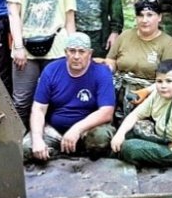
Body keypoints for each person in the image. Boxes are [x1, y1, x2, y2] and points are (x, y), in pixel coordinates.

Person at [7, 0, 76, 124]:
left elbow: (70, 20)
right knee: (21, 99)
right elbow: (14, 14)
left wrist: (72, 50)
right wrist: (18, 46)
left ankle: (48, 139)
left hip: (56, 50)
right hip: (25, 48)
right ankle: (19, 141)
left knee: (55, 98)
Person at [24, 32, 115, 161]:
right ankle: (60, 151)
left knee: (100, 138)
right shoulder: (51, 70)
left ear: (90, 53)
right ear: (66, 52)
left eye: (81, 52)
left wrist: (76, 129)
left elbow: (106, 112)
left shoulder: (101, 72)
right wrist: (37, 139)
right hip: (55, 130)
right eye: (72, 51)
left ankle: (82, 154)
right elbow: (38, 109)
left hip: (87, 130)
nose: (76, 56)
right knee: (27, 149)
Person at [106, 0, 172, 80]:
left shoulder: (169, 44)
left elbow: (168, 78)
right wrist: (109, 70)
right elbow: (110, 59)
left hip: (152, 89)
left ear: (159, 17)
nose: (144, 20)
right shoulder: (125, 36)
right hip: (121, 86)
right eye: (141, 15)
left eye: (149, 15)